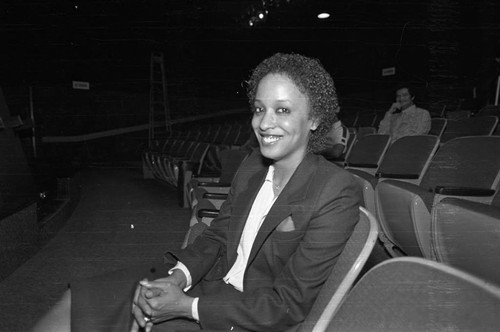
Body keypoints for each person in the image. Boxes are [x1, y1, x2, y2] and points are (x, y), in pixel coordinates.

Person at [32, 53, 361, 332]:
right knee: (80, 300)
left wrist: (187, 307)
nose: (264, 123)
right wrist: (178, 278)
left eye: (283, 110)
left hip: (246, 316)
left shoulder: (336, 190)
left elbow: (287, 305)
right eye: (260, 109)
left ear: (315, 118)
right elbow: (217, 237)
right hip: (207, 285)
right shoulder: (252, 165)